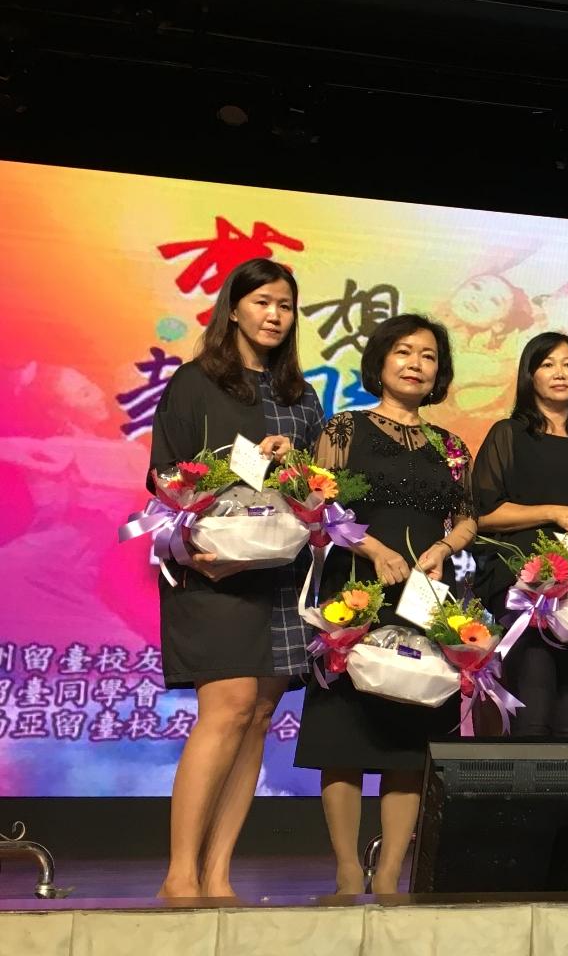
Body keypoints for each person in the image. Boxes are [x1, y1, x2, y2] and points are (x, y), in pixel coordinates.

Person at [149, 258, 324, 898]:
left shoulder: (302, 396)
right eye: (263, 302)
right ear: (235, 307)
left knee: (257, 715)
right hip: (215, 566)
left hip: (282, 571)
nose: (275, 315)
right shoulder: (196, 382)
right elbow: (165, 475)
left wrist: (297, 465)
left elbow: (317, 488)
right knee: (223, 711)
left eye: (286, 305)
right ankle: (179, 874)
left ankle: (218, 872)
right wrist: (235, 471)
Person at [293, 314, 476, 895]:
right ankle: (349, 872)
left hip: (423, 598)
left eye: (427, 356)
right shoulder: (343, 428)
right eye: (404, 351)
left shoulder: (449, 446)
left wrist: (445, 546)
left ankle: (392, 874)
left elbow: (468, 515)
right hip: (356, 590)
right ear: (381, 360)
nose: (416, 363)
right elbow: (316, 502)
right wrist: (371, 548)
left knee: (411, 735)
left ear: (438, 372)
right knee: (342, 734)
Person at [471, 331, 568, 737]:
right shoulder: (508, 434)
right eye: (547, 364)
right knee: (532, 721)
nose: (560, 373)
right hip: (529, 593)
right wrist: (551, 513)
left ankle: (561, 802)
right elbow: (482, 514)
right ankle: (521, 801)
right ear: (530, 375)